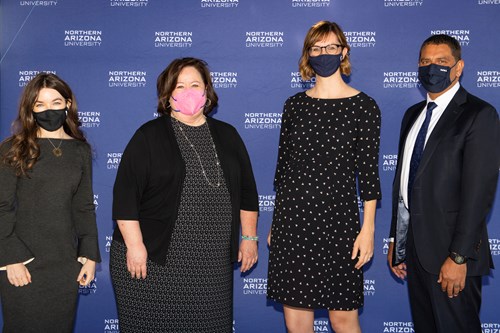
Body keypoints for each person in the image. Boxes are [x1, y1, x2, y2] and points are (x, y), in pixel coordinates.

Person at [110, 57, 259, 333]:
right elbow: (125, 196)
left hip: (211, 266)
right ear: (168, 95)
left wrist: (249, 238)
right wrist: (135, 246)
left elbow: (248, 193)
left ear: (207, 91)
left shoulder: (228, 136)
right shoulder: (148, 136)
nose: (188, 92)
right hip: (152, 260)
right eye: (180, 86)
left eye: (195, 84)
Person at [267, 21, 381, 333]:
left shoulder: (364, 106)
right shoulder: (294, 106)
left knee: (343, 318)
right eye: (316, 48)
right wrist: (276, 225)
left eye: (331, 47)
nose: (324, 53)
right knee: (296, 318)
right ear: (307, 55)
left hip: (339, 223)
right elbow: (283, 172)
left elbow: (369, 177)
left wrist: (367, 229)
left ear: (344, 52)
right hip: (293, 222)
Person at [387, 34, 500, 333]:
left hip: (453, 255)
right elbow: (404, 185)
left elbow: (479, 193)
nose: (431, 68)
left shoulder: (479, 114)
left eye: (441, 62)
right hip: (414, 251)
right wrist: (397, 243)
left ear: (458, 67)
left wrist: (458, 257)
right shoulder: (412, 115)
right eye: (425, 62)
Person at [0, 73, 101, 333]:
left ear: (67, 104)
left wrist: (89, 255)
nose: (49, 110)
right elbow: (2, 206)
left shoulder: (80, 151)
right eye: (40, 104)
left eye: (56, 102)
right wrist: (12, 258)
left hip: (64, 264)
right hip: (24, 262)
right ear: (30, 109)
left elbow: (84, 206)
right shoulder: (12, 148)